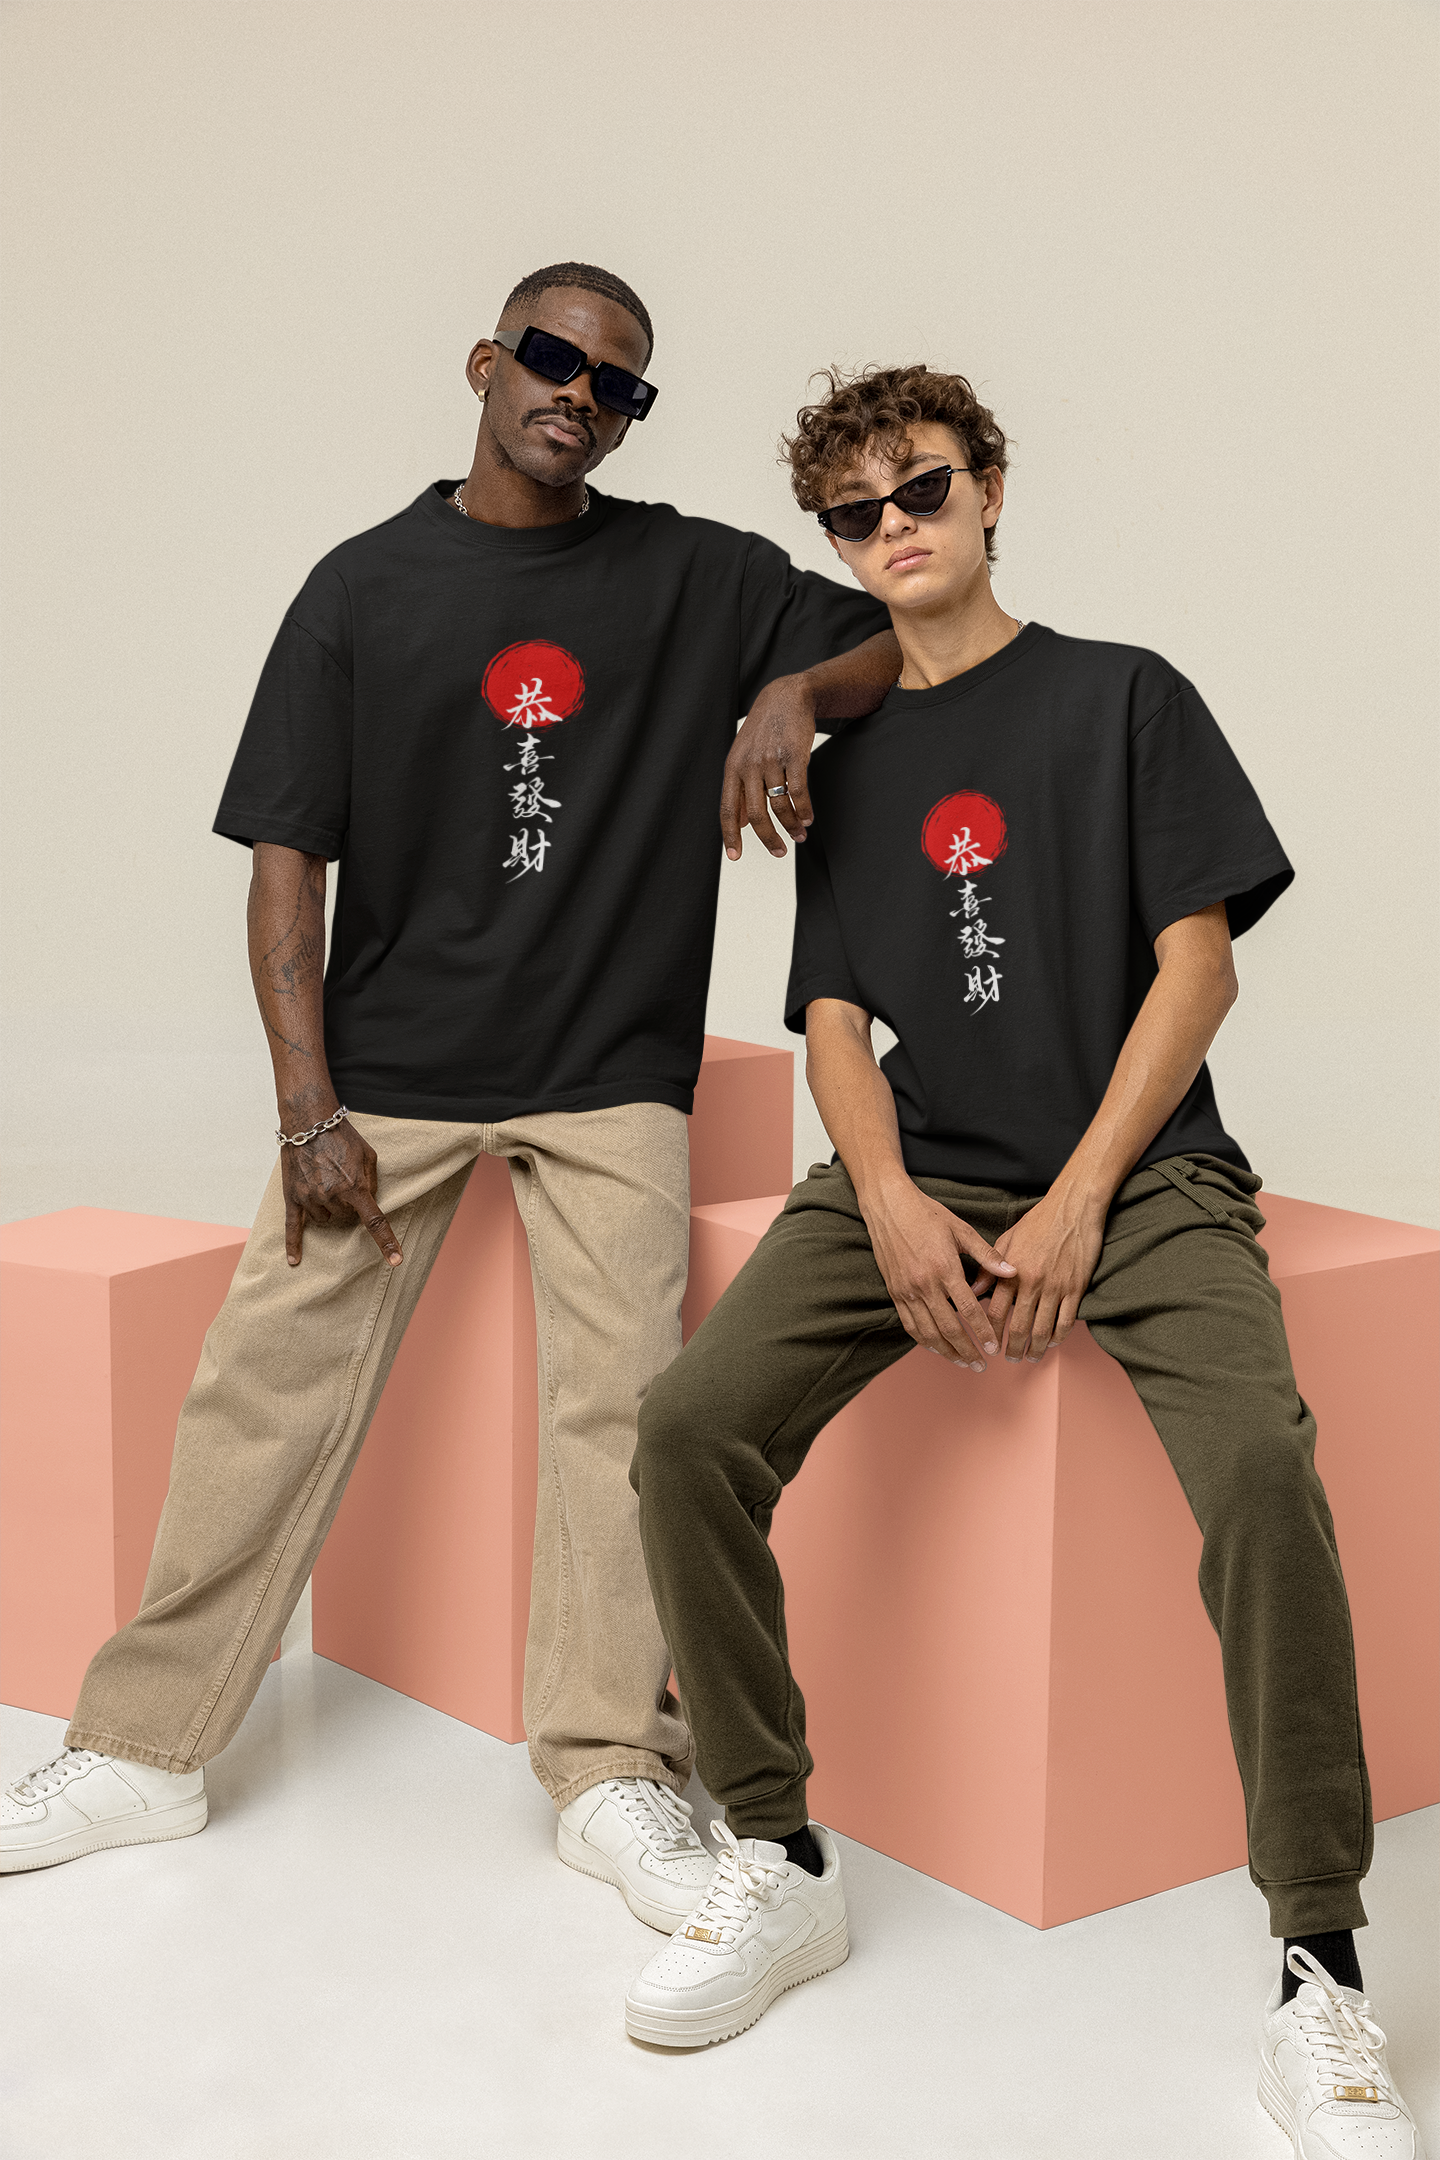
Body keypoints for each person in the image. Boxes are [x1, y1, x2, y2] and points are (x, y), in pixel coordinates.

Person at [0, 264, 898, 1939]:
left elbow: (873, 635)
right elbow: (286, 868)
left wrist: (788, 692)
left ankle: (609, 1764)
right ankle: (144, 1745)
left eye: (618, 382)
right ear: (487, 364)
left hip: (604, 1074)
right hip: (388, 1075)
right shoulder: (361, 590)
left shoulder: (693, 573)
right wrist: (302, 1108)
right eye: (553, 359)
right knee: (256, 1388)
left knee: (622, 1411)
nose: (580, 392)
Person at [625, 363, 1426, 2158]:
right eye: (854, 513)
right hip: (921, 1167)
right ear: (829, 542)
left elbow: (1199, 966)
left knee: (1264, 1478)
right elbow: (833, 1016)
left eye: (922, 489)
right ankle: (776, 1849)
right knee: (687, 1431)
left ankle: (1323, 1964)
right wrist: (891, 1201)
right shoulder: (850, 761)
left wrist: (1076, 1201)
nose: (894, 527)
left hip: (1136, 1179)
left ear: (992, 491)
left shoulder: (1125, 698)